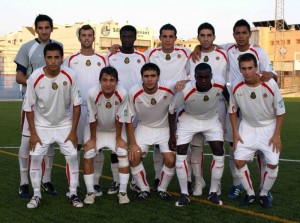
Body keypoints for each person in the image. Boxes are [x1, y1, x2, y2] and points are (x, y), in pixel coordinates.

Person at [23, 42, 83, 208]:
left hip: (64, 124)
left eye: (57, 57)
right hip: (42, 126)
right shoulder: (35, 77)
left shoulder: (71, 75)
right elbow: (29, 107)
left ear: (62, 58)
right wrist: (33, 134)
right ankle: (36, 195)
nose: (53, 61)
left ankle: (73, 193)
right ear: (44, 58)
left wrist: (73, 132)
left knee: (72, 156)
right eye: (49, 57)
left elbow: (77, 105)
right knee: (35, 158)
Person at [14, 14, 62, 198]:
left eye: (47, 27)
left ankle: (46, 180)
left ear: (51, 28)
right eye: (40, 28)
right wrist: (37, 87)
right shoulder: (27, 47)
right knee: (26, 143)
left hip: (53, 105)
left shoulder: (58, 47)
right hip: (32, 103)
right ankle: (24, 183)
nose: (44, 31)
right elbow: (19, 77)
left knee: (49, 144)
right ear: (36, 29)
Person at [229, 53, 285, 209]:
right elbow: (232, 110)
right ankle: (250, 193)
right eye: (243, 68)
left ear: (257, 68)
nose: (247, 72)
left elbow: (280, 111)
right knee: (238, 161)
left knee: (273, 163)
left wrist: (276, 135)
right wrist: (235, 132)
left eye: (250, 68)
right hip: (247, 127)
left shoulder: (270, 83)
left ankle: (264, 194)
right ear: (240, 69)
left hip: (268, 127)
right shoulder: (236, 85)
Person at [127, 63, 186, 201]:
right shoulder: (133, 91)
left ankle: (162, 189)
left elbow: (190, 82)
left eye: (153, 76)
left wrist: (183, 82)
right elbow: (128, 119)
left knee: (171, 160)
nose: (149, 79)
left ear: (158, 77)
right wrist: (133, 143)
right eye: (146, 76)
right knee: (133, 157)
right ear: (141, 78)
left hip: (164, 128)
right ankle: (144, 189)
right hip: (144, 127)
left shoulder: (168, 86)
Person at [169, 63, 226, 207]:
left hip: (211, 119)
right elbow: (172, 110)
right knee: (180, 152)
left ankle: (213, 192)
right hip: (189, 119)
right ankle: (184, 194)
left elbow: (229, 98)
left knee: (219, 150)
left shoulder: (220, 83)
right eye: (199, 78)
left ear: (211, 76)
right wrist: (171, 134)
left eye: (206, 77)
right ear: (194, 78)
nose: (203, 80)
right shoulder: (185, 90)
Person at [144, 23, 192, 192]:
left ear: (175, 38)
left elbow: (194, 71)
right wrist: (116, 48)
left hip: (180, 102)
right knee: (159, 142)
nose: (168, 40)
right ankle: (158, 177)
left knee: (184, 141)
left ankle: (188, 179)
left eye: (171, 36)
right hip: (159, 102)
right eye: (164, 36)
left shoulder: (186, 52)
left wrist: (185, 81)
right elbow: (134, 58)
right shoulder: (151, 53)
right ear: (160, 38)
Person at [63, 24, 107, 196]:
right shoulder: (70, 59)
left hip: (96, 108)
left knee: (97, 147)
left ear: (94, 38)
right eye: (84, 35)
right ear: (79, 37)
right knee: (75, 147)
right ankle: (75, 185)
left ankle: (95, 183)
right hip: (75, 108)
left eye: (90, 35)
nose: (87, 38)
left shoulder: (103, 59)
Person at [187, 22, 228, 196]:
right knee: (196, 146)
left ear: (214, 37)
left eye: (208, 35)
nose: (205, 38)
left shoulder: (224, 53)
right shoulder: (192, 56)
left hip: (217, 106)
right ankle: (198, 181)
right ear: (198, 37)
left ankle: (215, 184)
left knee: (217, 146)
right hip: (196, 107)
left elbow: (239, 48)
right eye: (202, 35)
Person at [107, 25, 147, 194]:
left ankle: (135, 180)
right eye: (125, 35)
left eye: (131, 36)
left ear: (135, 37)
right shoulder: (111, 56)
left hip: (138, 106)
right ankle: (116, 181)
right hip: (118, 106)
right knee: (117, 145)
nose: (128, 38)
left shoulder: (143, 57)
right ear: (120, 37)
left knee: (136, 145)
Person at [83, 66, 130, 205]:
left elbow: (120, 117)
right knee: (88, 153)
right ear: (100, 81)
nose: (108, 83)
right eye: (104, 80)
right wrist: (92, 139)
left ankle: (123, 192)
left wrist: (118, 138)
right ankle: (90, 192)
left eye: (112, 80)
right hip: (95, 129)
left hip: (115, 130)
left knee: (122, 154)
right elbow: (92, 117)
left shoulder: (123, 93)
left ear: (117, 82)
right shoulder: (92, 93)